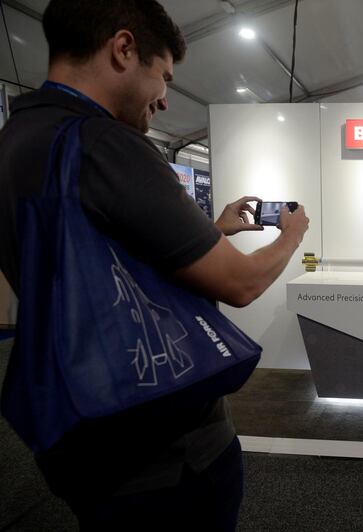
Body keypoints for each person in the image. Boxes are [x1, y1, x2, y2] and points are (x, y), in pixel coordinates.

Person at [0, 1, 309, 530]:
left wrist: (211, 232)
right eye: (163, 76)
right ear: (123, 49)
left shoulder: (15, 142)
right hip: (166, 447)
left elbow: (94, 261)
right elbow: (242, 282)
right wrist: (292, 236)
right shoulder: (108, 145)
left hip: (75, 428)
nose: (165, 99)